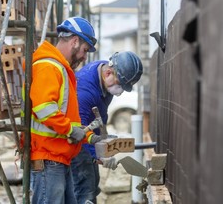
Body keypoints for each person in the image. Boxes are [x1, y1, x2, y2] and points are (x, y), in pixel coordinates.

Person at [21, 17, 102, 204]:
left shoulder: (59, 69)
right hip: (49, 158)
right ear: (74, 41)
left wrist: (88, 135)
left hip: (57, 158)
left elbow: (66, 119)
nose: (84, 57)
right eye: (84, 50)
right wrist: (70, 130)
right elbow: (44, 109)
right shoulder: (49, 67)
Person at [71, 51, 143, 204]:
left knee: (93, 182)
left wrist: (103, 140)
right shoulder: (85, 92)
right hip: (77, 142)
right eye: (120, 84)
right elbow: (81, 131)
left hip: (91, 135)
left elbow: (99, 117)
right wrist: (99, 155)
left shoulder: (105, 73)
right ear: (108, 73)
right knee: (85, 187)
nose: (120, 91)